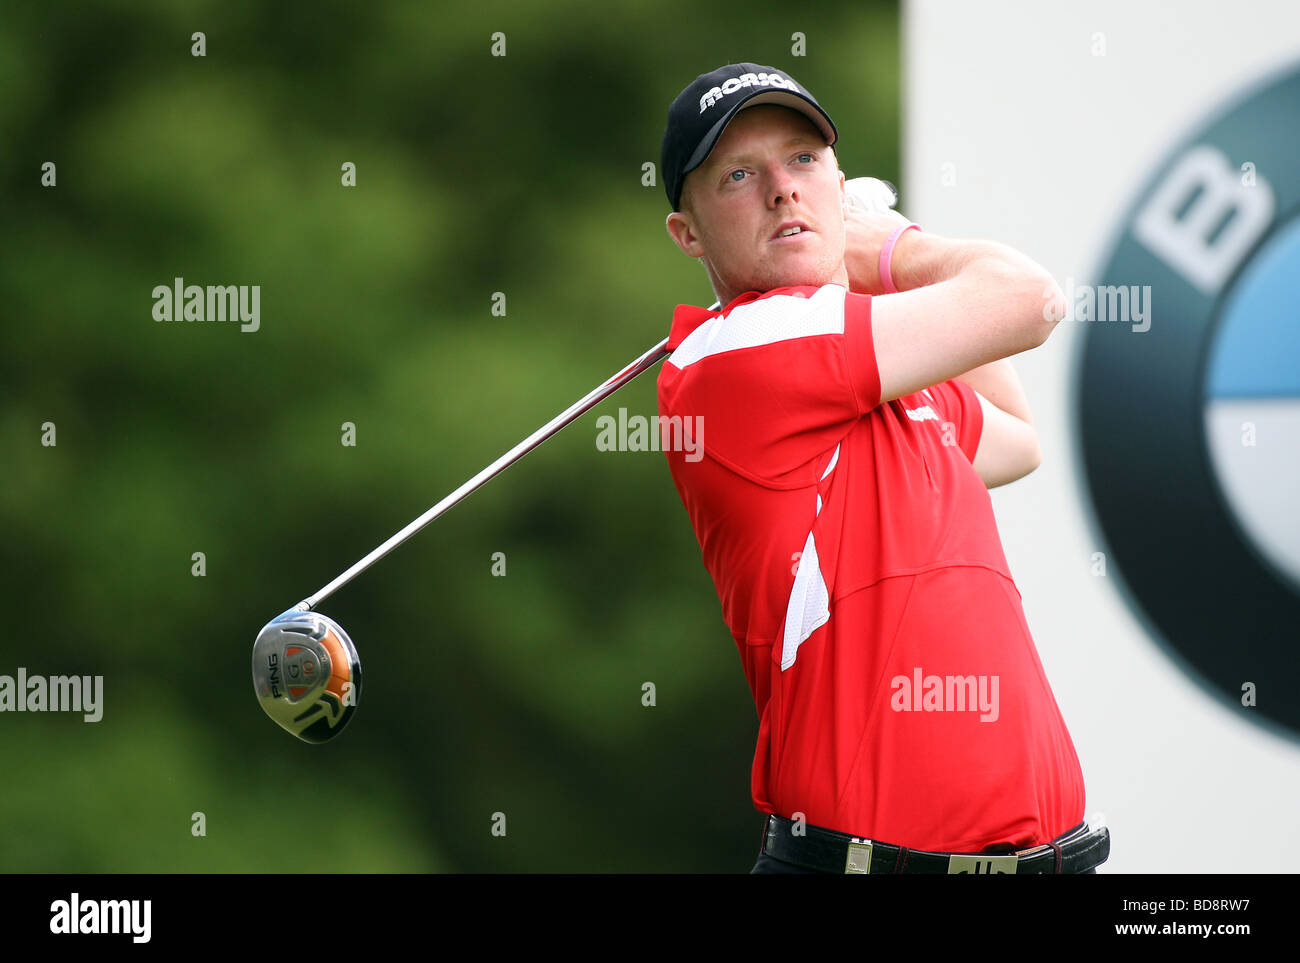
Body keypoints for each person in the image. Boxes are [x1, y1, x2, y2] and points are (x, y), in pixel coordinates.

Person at [655, 63, 1109, 874]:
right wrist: (890, 245)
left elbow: (1013, 437)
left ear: (835, 179)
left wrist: (865, 264)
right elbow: (1030, 300)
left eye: (803, 162)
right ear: (688, 234)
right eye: (738, 175)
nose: (782, 191)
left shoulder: (873, 380)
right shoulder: (736, 357)